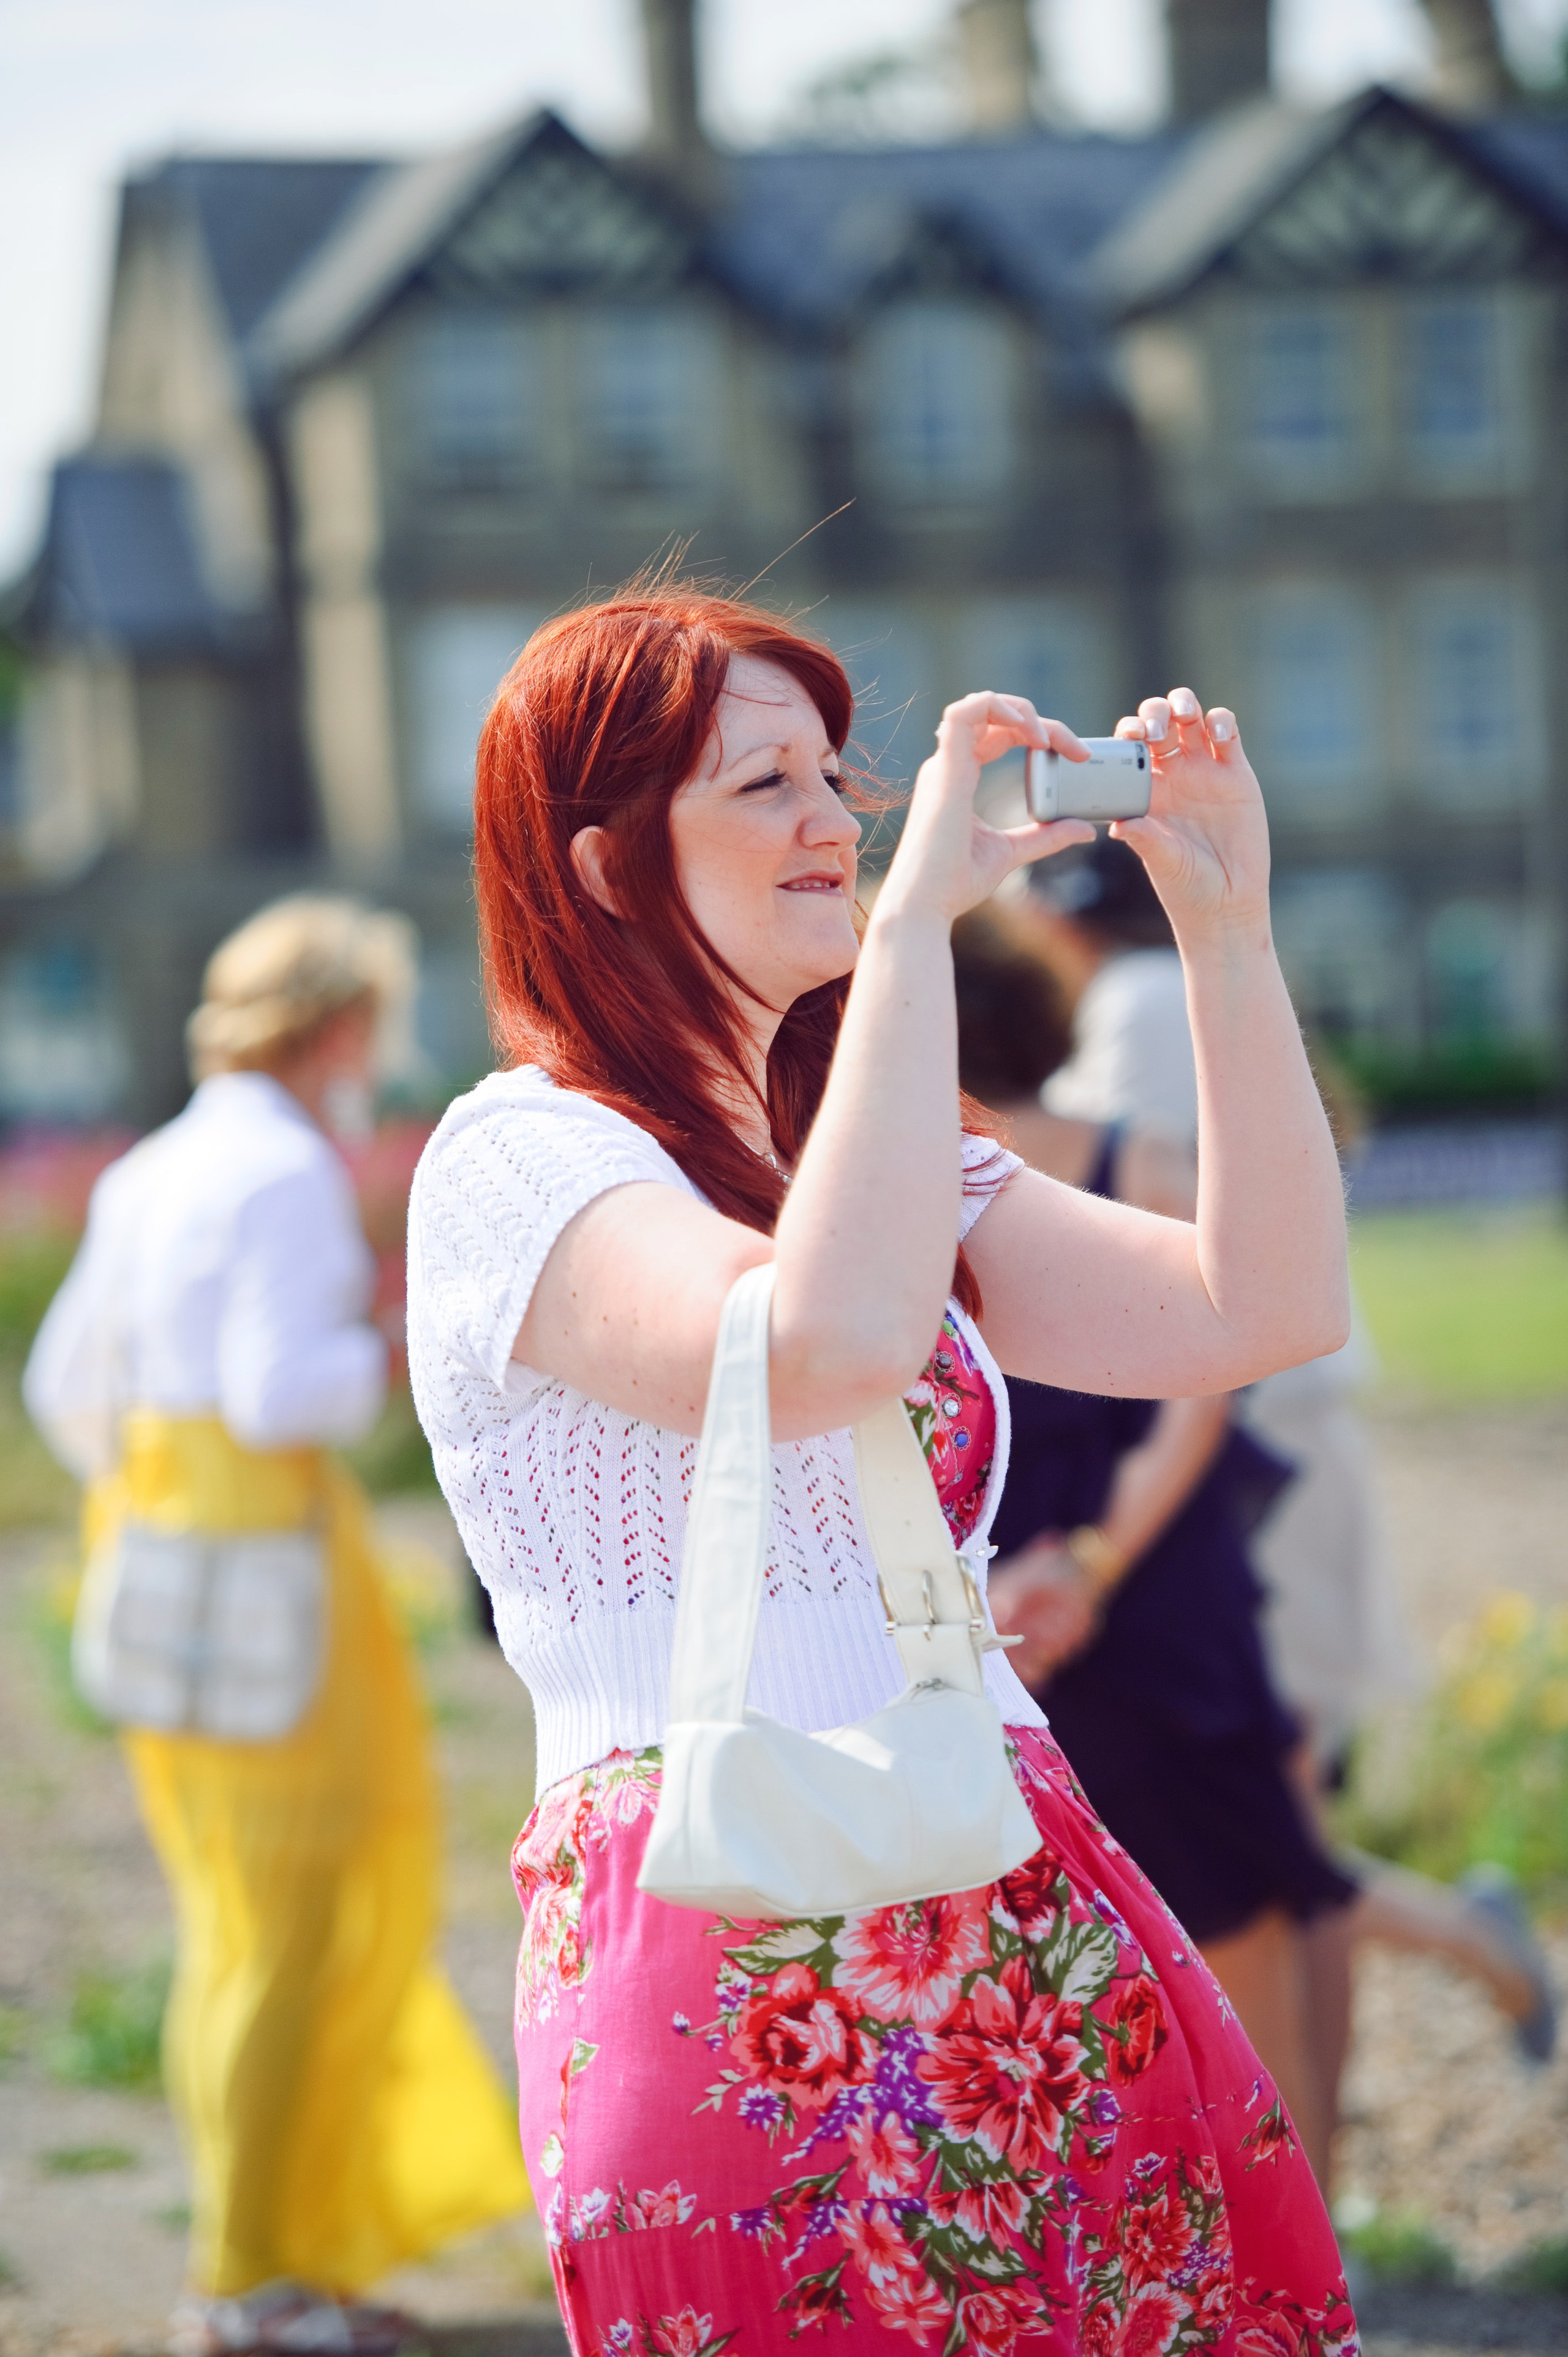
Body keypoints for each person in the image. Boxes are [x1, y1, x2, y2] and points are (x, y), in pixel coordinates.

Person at [405, 583, 1359, 2355]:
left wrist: (1229, 937)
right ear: (607, 867)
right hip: (720, 1920)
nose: (837, 821)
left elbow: (1267, 1303)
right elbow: (817, 1346)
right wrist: (915, 927)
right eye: (764, 784)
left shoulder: (884, 1159)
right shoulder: (515, 1161)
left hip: (1009, 1865)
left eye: (837, 777)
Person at [25, 898, 531, 2357]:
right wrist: (394, 1338)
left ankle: (270, 2258)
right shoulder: (289, 1172)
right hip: (282, 1585)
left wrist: (155, 1491)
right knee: (311, 1925)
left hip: (160, 1564)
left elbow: (65, 1382)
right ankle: (251, 2279)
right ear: (338, 1025)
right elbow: (279, 1398)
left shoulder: (153, 1164)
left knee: (230, 1931)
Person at [1019, 845, 1558, 2117]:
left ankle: (1322, 2196)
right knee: (1273, 1826)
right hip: (1261, 1432)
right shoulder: (1179, 983)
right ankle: (1340, 2158)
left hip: (1247, 1443)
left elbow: (1067, 1182)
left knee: (1270, 1836)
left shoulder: (1131, 1007)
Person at [956, 907, 1359, 2187]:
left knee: (1233, 1902)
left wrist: (1084, 1566)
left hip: (1125, 1592)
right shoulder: (924, 1192)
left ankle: (1292, 2245)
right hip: (1026, 1601)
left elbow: (1202, 1398)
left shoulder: (1132, 1160)